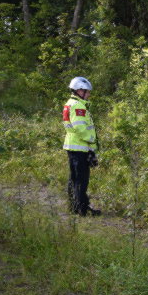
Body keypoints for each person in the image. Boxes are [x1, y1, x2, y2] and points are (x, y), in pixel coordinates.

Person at [62, 76, 100, 216]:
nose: (88, 94)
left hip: (74, 147)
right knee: (81, 180)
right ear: (79, 90)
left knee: (74, 178)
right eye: (87, 92)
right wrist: (91, 141)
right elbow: (80, 128)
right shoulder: (78, 106)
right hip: (79, 147)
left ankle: (74, 207)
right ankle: (82, 209)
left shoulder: (70, 103)